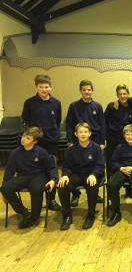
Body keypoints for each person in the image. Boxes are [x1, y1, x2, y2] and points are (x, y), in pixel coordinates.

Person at [1, 127, 57, 229]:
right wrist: (4, 193)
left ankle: (34, 216)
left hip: (38, 175)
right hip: (22, 176)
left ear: (34, 141)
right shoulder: (15, 153)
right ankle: (25, 213)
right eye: (23, 136)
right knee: (5, 187)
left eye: (27, 138)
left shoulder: (41, 152)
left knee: (36, 188)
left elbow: (51, 168)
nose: (23, 139)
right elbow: (9, 172)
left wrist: (53, 179)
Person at [21, 75, 61, 211]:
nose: (44, 89)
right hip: (36, 142)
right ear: (36, 87)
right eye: (41, 87)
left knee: (52, 171)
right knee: (37, 170)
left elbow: (57, 120)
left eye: (46, 87)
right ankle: (37, 199)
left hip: (51, 141)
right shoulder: (29, 102)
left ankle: (51, 200)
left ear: (51, 87)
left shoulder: (56, 103)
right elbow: (25, 121)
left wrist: (53, 133)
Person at [57, 123, 104, 230]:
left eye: (85, 132)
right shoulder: (72, 149)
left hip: (91, 173)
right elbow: (67, 166)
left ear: (90, 133)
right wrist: (65, 175)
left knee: (92, 186)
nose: (83, 134)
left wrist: (93, 174)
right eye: (80, 132)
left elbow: (100, 165)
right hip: (76, 174)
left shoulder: (96, 148)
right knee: (62, 187)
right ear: (76, 134)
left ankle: (90, 216)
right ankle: (67, 216)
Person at [66, 79, 105, 206]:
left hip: (94, 138)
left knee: (95, 165)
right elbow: (69, 124)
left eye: (89, 90)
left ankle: (94, 192)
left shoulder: (97, 106)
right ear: (80, 91)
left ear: (92, 91)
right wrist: (70, 140)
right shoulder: (73, 106)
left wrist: (102, 141)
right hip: (79, 137)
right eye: (84, 90)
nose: (87, 92)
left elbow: (102, 124)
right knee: (77, 166)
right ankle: (75, 195)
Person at [104, 84, 132, 180]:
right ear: (117, 95)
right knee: (110, 161)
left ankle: (128, 187)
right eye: (120, 94)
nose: (122, 96)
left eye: (124, 94)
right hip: (112, 137)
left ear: (128, 94)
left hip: (126, 139)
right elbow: (104, 121)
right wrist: (104, 137)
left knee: (127, 161)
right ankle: (110, 184)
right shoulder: (111, 106)